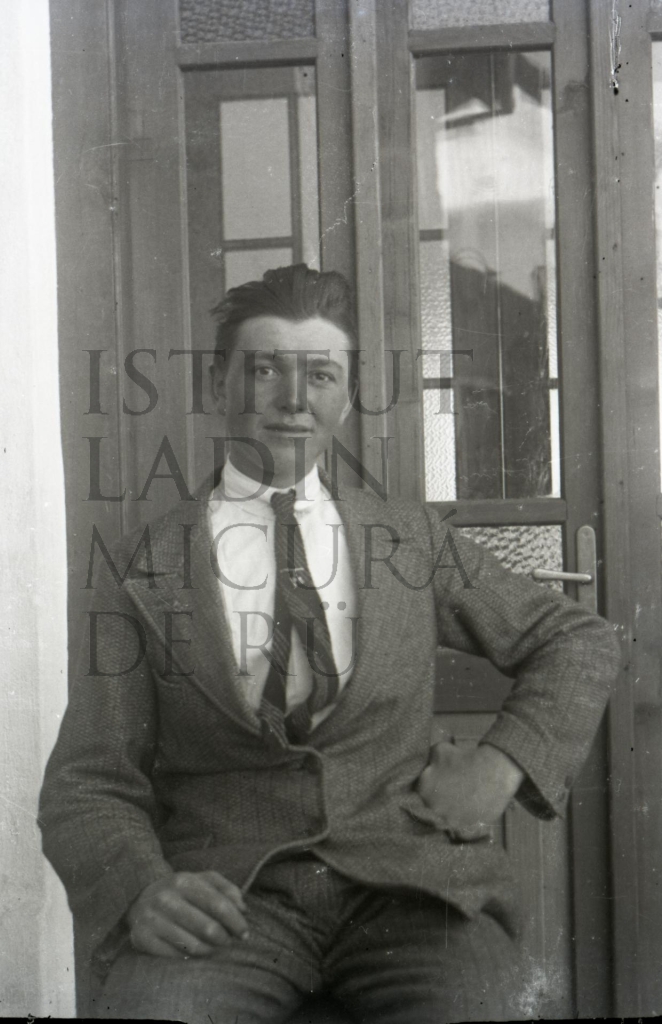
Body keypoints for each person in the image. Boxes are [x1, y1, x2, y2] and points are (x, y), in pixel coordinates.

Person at [39, 264, 619, 1023]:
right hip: (232, 901)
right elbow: (89, 779)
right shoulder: (140, 568)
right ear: (216, 386)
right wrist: (141, 889)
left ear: (345, 399)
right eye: (264, 371)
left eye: (320, 375)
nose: (293, 399)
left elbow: (576, 639)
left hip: (409, 891)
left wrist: (503, 763)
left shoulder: (408, 540)